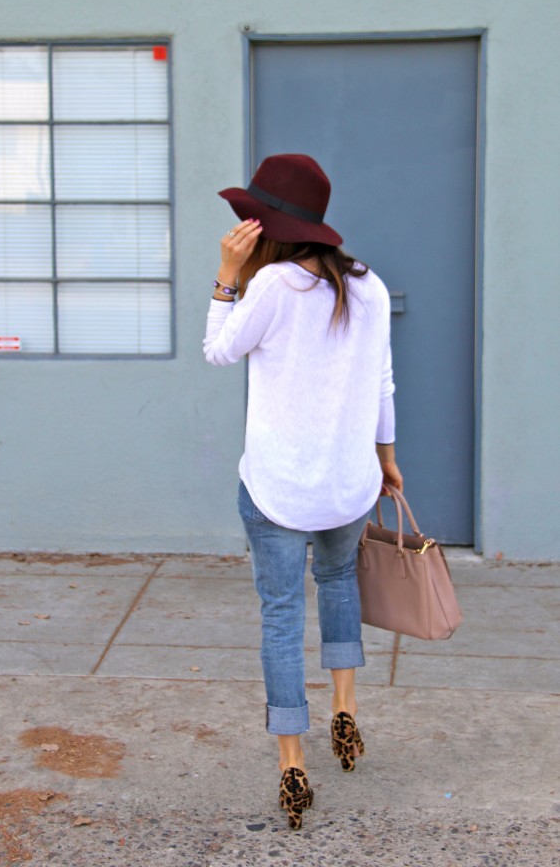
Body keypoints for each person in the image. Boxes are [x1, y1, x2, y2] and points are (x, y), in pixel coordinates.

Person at [203, 153, 403, 830]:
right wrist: (388, 460)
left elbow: (218, 351)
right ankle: (345, 712)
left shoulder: (271, 289)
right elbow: (382, 383)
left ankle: (293, 764)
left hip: (277, 487)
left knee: (283, 614)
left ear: (269, 227)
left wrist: (227, 276)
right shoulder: (368, 286)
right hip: (349, 482)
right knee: (340, 582)